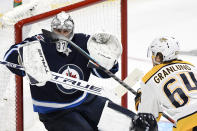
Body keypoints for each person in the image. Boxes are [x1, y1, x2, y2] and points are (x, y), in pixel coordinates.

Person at [3, 11, 158, 131]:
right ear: (52, 29)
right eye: (57, 30)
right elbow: (9, 56)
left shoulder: (83, 41)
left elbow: (102, 73)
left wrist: (108, 62)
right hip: (55, 111)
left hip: (85, 99)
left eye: (65, 31)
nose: (61, 34)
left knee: (134, 124)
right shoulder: (39, 41)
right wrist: (25, 61)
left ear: (72, 30)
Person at [135, 36, 197, 131]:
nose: (152, 57)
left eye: (153, 54)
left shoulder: (149, 79)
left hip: (188, 122)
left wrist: (139, 100)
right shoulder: (191, 66)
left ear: (159, 56)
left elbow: (148, 119)